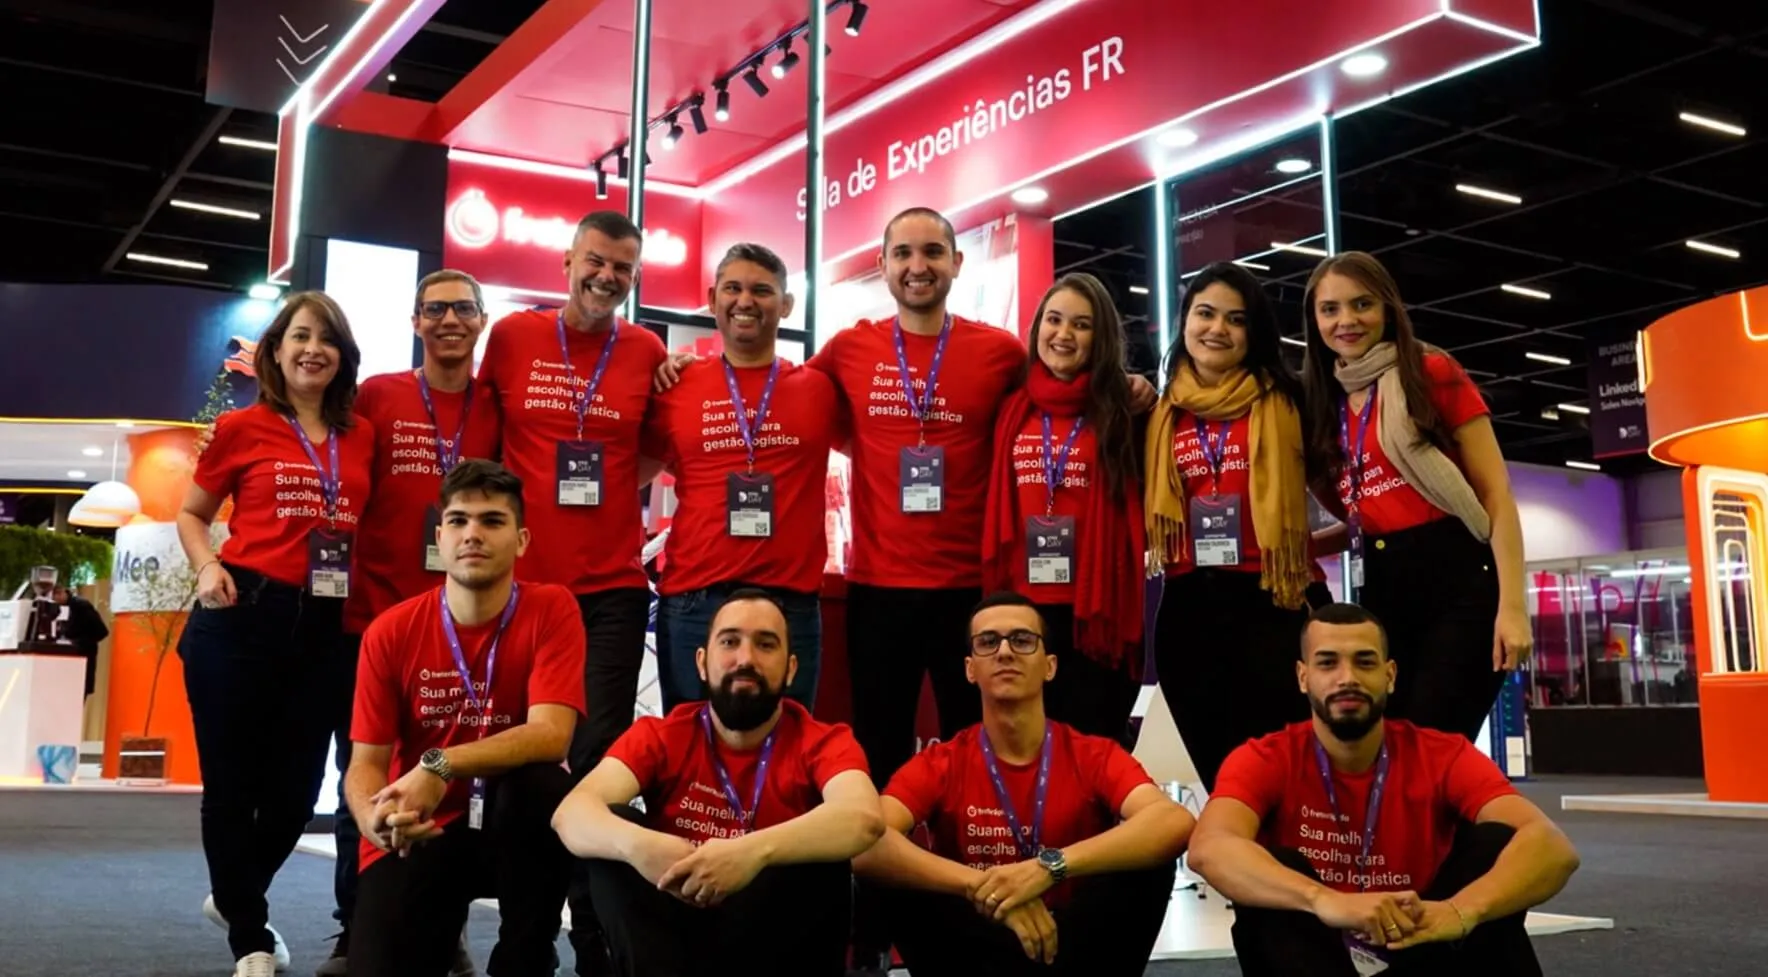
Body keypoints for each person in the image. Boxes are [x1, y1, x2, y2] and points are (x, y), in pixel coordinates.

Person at [1187, 602, 1579, 977]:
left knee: (1498, 842)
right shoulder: (1266, 756)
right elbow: (1209, 849)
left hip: (1420, 943)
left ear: (1389, 676)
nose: (1348, 678)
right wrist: (1325, 900)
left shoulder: (1443, 753)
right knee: (1271, 870)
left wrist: (1459, 912)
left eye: (1364, 662)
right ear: (1303, 677)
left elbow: (1552, 847)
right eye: (1328, 663)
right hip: (1314, 955)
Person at [476, 210, 667, 973]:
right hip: (523, 593)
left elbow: (650, 454)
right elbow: (487, 448)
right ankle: (525, 937)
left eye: (622, 268)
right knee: (526, 767)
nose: (607, 278)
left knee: (597, 767)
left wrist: (607, 488)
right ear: (567, 260)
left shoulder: (647, 349)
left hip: (612, 592)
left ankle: (593, 938)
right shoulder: (515, 338)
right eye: (596, 261)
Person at [175, 291, 373, 977]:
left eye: (327, 338)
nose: (312, 348)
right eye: (299, 336)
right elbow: (193, 514)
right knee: (231, 785)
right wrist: (206, 566)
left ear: (343, 355)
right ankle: (250, 936)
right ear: (276, 350)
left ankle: (234, 891)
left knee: (295, 791)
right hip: (241, 618)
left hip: (324, 625)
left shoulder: (363, 434)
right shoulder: (241, 426)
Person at [313, 269, 501, 975]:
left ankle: (442, 923)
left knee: (453, 780)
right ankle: (353, 921)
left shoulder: (498, 402)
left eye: (462, 308)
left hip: (468, 624)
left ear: (481, 321)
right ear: (415, 321)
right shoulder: (379, 397)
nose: (449, 319)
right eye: (435, 309)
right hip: (376, 617)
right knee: (362, 769)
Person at [551, 588, 885, 977]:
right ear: (703, 663)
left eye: (765, 644)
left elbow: (864, 818)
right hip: (675, 944)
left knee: (825, 850)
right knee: (613, 828)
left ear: (791, 668)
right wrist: (641, 846)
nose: (746, 659)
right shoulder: (661, 734)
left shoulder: (823, 741)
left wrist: (749, 853)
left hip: (777, 941)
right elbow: (570, 814)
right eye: (730, 642)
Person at [855, 591, 1191, 975]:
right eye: (987, 642)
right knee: (885, 872)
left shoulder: (1092, 753)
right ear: (969, 669)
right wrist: (986, 886)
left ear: (1049, 666)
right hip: (976, 940)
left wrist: (1048, 868)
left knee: (1152, 864)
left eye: (1022, 640)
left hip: (1073, 942)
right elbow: (867, 844)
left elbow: (1173, 822)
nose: (1004, 652)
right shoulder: (942, 761)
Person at [344, 459, 583, 977]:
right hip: (424, 830)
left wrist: (439, 764)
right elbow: (366, 762)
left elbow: (551, 736)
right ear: (440, 536)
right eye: (458, 520)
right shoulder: (389, 632)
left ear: (521, 540)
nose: (473, 534)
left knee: (543, 787)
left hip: (512, 829)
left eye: (492, 521)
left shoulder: (552, 609)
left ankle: (525, 958)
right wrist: (372, 819)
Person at [1299, 252, 1531, 740]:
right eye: (1330, 309)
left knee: (1435, 739)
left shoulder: (1432, 371)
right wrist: (1302, 547)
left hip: (1461, 579)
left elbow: (1496, 496)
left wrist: (1513, 607)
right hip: (1381, 587)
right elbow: (1371, 517)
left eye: (1361, 304)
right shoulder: (1324, 401)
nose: (1347, 321)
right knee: (1392, 740)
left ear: (1387, 308)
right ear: (1314, 320)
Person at [640, 243, 839, 712]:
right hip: (695, 603)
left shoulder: (820, 388)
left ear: (786, 305)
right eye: (732, 288)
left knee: (787, 757)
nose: (745, 301)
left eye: (762, 290)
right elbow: (634, 470)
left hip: (790, 605)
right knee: (688, 754)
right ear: (712, 299)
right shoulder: (675, 386)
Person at [1145, 262, 1314, 791]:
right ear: (1185, 322)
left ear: (1254, 332)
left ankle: (1287, 871)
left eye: (1235, 319)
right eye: (1205, 313)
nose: (1217, 328)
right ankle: (1238, 870)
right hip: (1187, 607)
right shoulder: (1160, 412)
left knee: (1280, 769)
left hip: (1267, 603)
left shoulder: (1288, 401)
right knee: (1222, 778)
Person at [981, 273, 1146, 744]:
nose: (1064, 335)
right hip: (1021, 611)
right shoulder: (1012, 408)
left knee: (1094, 747)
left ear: (1102, 337)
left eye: (1081, 324)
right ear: (1037, 329)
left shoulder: (1123, 411)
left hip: (1096, 616)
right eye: (1054, 320)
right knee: (1025, 749)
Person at [51, 584, 109, 701]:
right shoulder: (61, 608)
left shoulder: (81, 606)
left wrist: (77, 643)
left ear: (61, 593)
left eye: (54, 597)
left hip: (81, 659)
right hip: (66, 665)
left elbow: (101, 631)